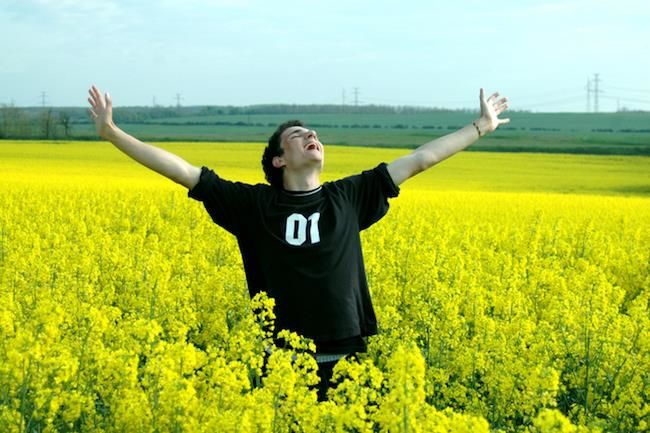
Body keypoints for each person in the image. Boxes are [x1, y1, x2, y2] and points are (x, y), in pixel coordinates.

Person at [87, 85, 509, 400]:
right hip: (284, 367)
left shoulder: (349, 196)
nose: (312, 135)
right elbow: (184, 172)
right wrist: (112, 133)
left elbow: (420, 159)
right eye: (298, 134)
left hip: (348, 362)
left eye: (314, 132)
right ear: (279, 160)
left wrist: (481, 126)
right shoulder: (255, 206)